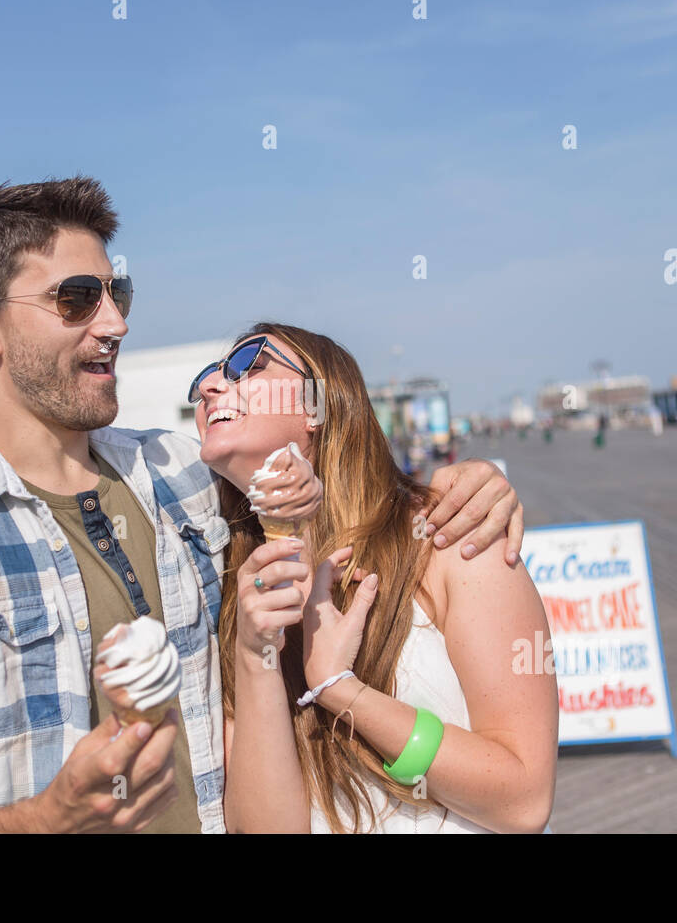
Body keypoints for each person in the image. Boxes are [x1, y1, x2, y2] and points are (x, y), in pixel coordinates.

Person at [0, 178, 527, 834]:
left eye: (117, 293)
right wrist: (46, 818)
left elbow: (335, 479)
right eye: (76, 299)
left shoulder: (180, 475)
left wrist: (465, 484)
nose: (114, 323)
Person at [195, 324, 557, 833]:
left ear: (318, 407)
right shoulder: (232, 588)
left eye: (248, 366)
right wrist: (257, 655)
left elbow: (522, 801)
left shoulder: (452, 538)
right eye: (206, 378)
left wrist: (342, 691)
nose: (212, 386)